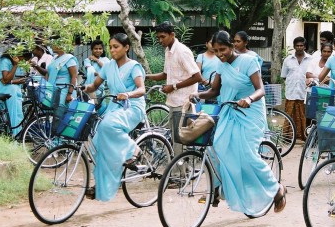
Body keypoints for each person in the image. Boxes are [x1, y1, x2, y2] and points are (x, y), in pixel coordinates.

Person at [190, 30, 286, 215]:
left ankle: (276, 189)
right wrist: (198, 95)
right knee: (218, 146)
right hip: (229, 112)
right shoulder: (221, 64)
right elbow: (215, 91)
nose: (219, 54)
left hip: (250, 113)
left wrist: (249, 99)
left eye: (223, 49)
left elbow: (261, 90)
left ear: (232, 46)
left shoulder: (249, 61)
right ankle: (224, 189)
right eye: (216, 50)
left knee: (248, 155)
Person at [82, 33, 146, 201]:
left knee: (106, 126)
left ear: (126, 48)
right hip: (114, 107)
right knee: (97, 145)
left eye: (116, 47)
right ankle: (103, 185)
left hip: (132, 107)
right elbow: (95, 85)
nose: (112, 50)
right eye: (110, 47)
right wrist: (82, 88)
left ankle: (134, 149)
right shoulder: (108, 66)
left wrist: (128, 94)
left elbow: (141, 89)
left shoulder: (134, 66)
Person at [145, 21, 202, 155]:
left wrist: (173, 86)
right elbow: (165, 74)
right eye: (158, 37)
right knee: (176, 139)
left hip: (184, 102)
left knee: (179, 141)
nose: (160, 40)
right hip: (174, 101)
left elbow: (197, 76)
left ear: (172, 35)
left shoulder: (182, 51)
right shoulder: (168, 50)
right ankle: (180, 171)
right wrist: (145, 76)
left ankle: (178, 174)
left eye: (162, 37)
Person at [281, 36, 312, 141]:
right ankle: (288, 137)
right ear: (294, 46)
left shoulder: (311, 59)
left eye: (301, 45)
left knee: (303, 115)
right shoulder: (287, 60)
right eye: (297, 45)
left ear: (304, 46)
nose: (299, 47)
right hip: (291, 92)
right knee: (289, 114)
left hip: (304, 92)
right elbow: (284, 76)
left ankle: (304, 136)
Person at [0, 51, 29, 136]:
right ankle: (16, 133)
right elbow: (6, 80)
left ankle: (19, 132)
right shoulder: (5, 61)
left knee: (19, 112)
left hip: (13, 88)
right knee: (14, 111)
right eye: (22, 58)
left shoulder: (18, 62)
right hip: (4, 88)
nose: (22, 60)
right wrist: (15, 65)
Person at [45, 41, 78, 106]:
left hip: (64, 91)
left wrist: (69, 94)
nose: (52, 46)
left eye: (54, 44)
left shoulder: (69, 59)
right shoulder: (54, 58)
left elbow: (74, 77)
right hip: (53, 90)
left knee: (61, 110)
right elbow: (48, 73)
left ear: (60, 46)